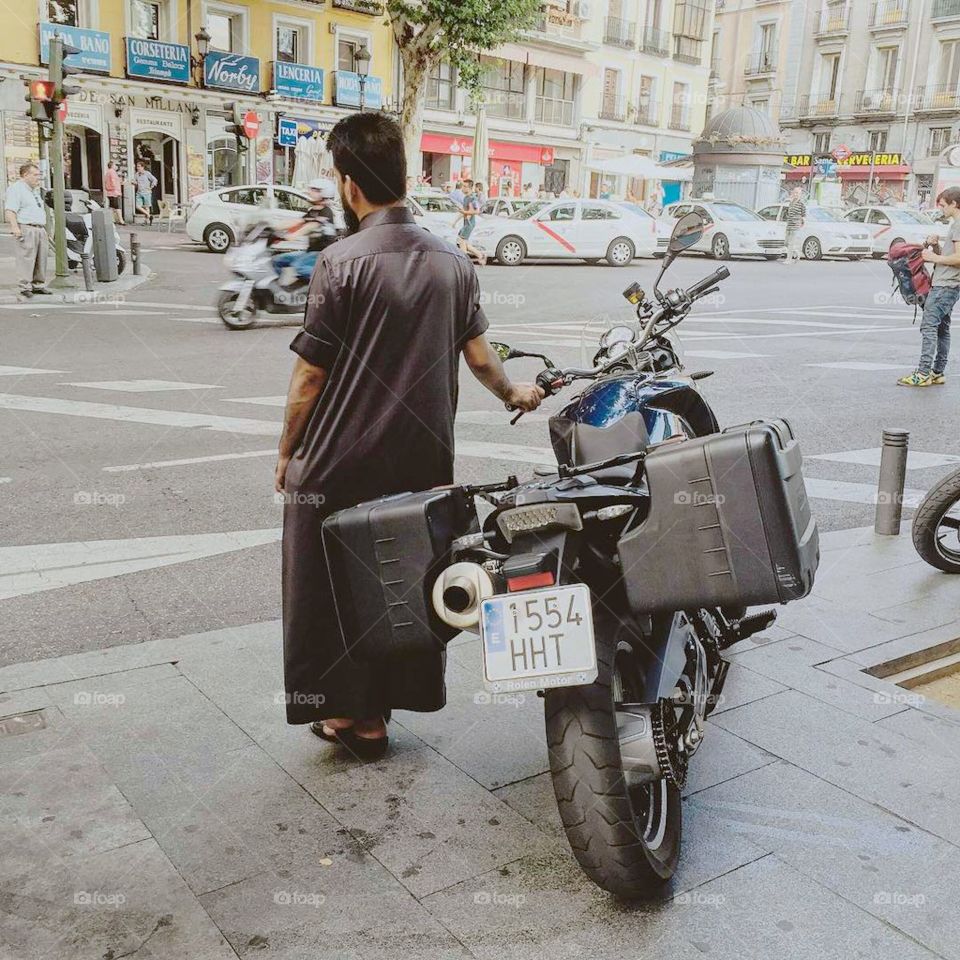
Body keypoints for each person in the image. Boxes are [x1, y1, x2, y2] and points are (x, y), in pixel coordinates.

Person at [276, 112, 543, 756]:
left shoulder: (339, 262)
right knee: (398, 581)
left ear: (348, 184)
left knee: (327, 586)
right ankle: (376, 718)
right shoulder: (453, 260)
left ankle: (349, 716)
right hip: (420, 463)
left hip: (338, 460)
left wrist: (287, 453)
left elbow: (310, 378)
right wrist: (517, 393)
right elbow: (481, 359)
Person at [898, 187, 960, 387]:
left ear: (954, 204)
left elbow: (959, 258)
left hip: (946, 285)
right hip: (950, 283)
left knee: (929, 326)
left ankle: (923, 373)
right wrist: (938, 247)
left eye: (943, 205)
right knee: (942, 328)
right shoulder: (954, 225)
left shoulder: (958, 225)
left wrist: (934, 257)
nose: (941, 209)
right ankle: (937, 372)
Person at [273, 178, 339, 285]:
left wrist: (292, 235)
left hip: (322, 254)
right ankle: (277, 292)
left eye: (314, 189)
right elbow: (297, 221)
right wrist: (271, 227)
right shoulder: (313, 211)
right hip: (309, 252)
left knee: (299, 266)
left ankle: (328, 283)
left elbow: (311, 226)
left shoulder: (326, 212)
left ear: (323, 192)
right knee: (278, 260)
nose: (309, 191)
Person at [5, 161, 51, 300]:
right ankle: (25, 286)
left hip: (39, 227)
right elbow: (10, 209)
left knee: (40, 257)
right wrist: (15, 227)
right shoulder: (16, 189)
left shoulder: (34, 191)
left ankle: (38, 284)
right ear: (25, 175)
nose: (38, 178)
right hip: (26, 227)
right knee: (26, 257)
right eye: (35, 175)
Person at [455, 179, 486, 266]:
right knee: (464, 243)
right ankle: (480, 255)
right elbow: (464, 211)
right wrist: (455, 222)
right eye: (463, 186)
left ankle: (464, 262)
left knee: (461, 241)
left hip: (469, 223)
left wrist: (465, 212)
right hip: (466, 223)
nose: (463, 188)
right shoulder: (466, 198)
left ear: (470, 188)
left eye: (465, 187)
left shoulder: (473, 198)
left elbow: (476, 211)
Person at [784, 187, 806, 264]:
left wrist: (802, 223)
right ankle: (796, 252)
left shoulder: (801, 203)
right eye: (795, 193)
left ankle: (789, 259)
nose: (796, 194)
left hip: (795, 225)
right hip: (789, 225)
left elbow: (804, 215)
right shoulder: (791, 202)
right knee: (786, 242)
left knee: (791, 243)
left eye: (797, 193)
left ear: (800, 194)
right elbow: (788, 213)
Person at [104, 161, 124, 225]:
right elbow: (113, 181)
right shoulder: (112, 172)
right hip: (115, 192)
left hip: (109, 192)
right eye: (115, 165)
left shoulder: (107, 172)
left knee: (112, 207)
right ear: (112, 165)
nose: (116, 166)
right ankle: (121, 220)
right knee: (118, 207)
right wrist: (115, 188)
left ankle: (112, 220)